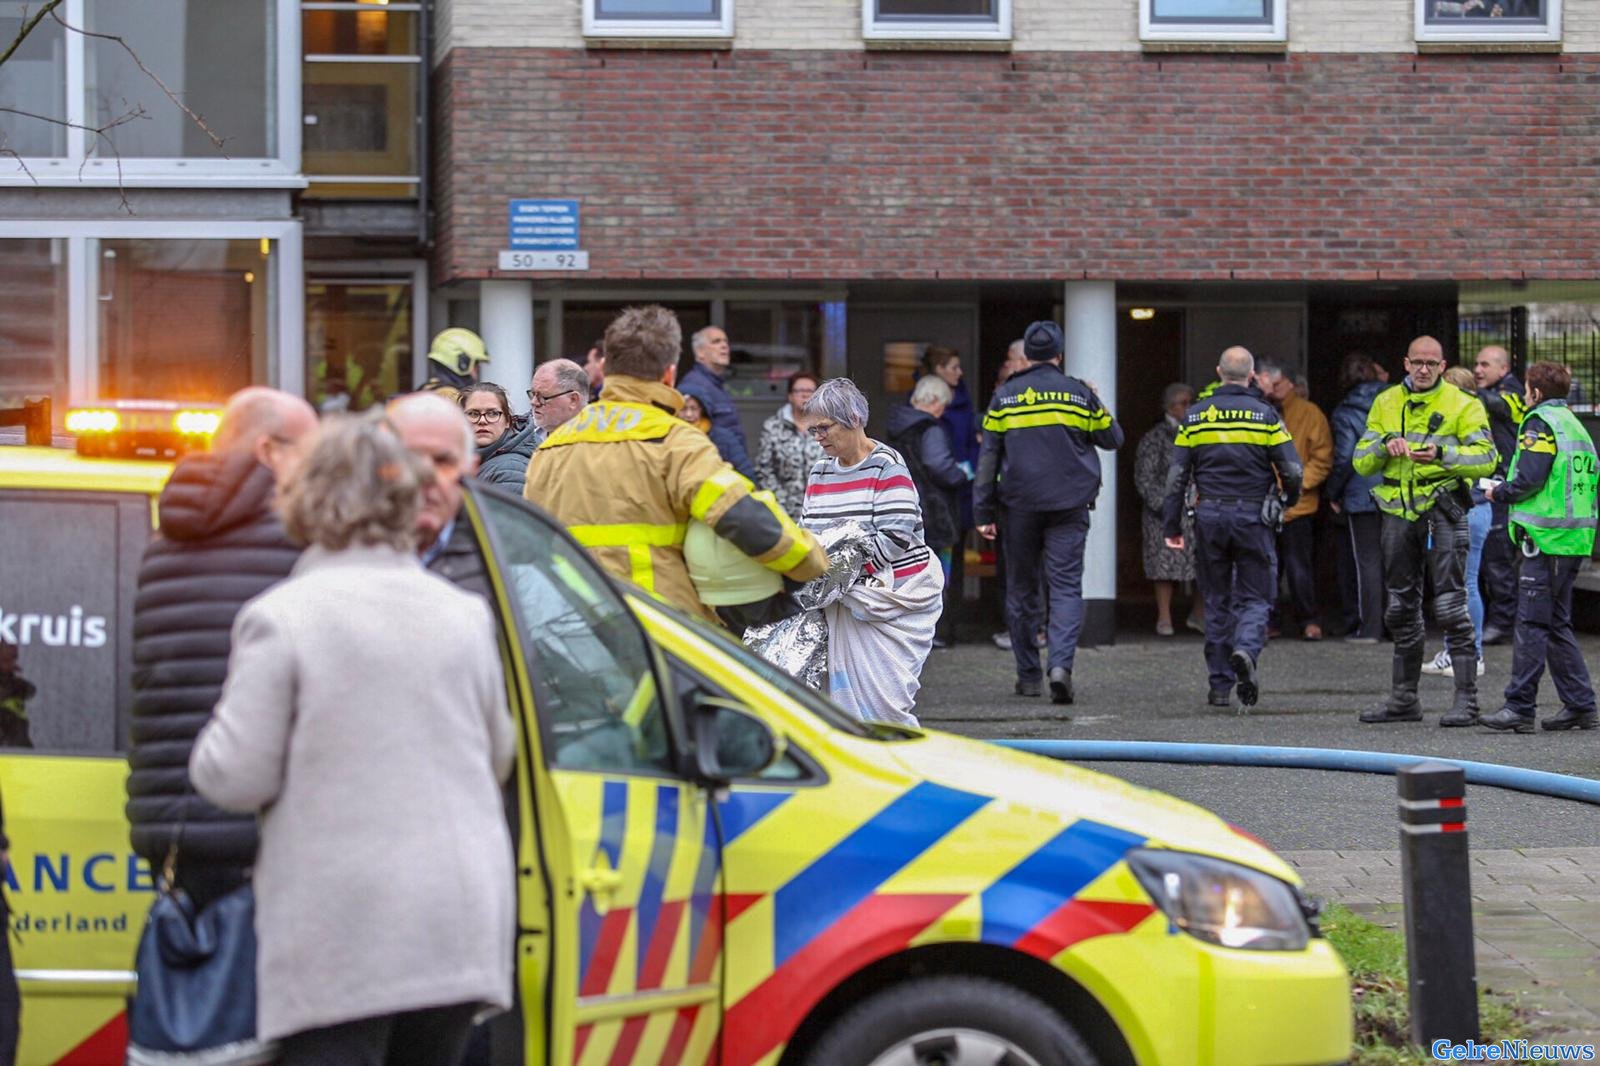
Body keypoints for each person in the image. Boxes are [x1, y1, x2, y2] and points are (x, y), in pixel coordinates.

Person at [190, 414, 515, 1064]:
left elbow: (234, 775)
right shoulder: (464, 613)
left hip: (343, 926)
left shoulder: (283, 617)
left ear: (305, 497)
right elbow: (498, 753)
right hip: (458, 918)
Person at [126, 386, 317, 908]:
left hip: (176, 822)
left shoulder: (165, 545)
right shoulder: (295, 544)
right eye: (310, 450)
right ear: (268, 452)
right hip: (260, 826)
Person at [524, 305, 825, 622]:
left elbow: (530, 544)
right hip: (660, 629)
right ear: (669, 373)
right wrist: (810, 562)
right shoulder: (676, 441)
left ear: (606, 368)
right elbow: (741, 517)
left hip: (571, 627)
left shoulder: (550, 448)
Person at [974, 320, 1123, 707]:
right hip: (1069, 506)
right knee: (1066, 587)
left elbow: (988, 457)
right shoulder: (1077, 394)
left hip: (1018, 506)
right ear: (1059, 355)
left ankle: (1027, 676)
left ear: (1028, 355)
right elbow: (1113, 438)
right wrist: (1094, 399)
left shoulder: (1005, 397)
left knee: (1021, 590)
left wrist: (982, 511)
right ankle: (1060, 667)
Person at [1353, 335, 1496, 726]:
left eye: (1431, 364)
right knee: (1400, 608)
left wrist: (1442, 455)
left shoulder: (1463, 404)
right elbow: (1361, 462)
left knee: (1450, 605)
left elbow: (1487, 458)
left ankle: (1466, 702)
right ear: (1405, 362)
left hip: (1443, 513)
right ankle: (1404, 700)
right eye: (1417, 362)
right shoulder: (1385, 402)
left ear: (1443, 366)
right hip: (1398, 514)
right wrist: (1385, 444)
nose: (1423, 369)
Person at [1163, 347, 1302, 708]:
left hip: (1209, 515)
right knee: (1256, 596)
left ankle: (1219, 686)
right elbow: (1293, 470)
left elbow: (1176, 477)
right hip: (1253, 516)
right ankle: (1246, 648)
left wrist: (1171, 524)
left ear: (1218, 372)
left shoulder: (1193, 418)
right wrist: (1288, 499)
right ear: (1252, 375)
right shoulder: (1266, 416)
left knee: (1216, 599)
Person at [802, 378, 944, 725]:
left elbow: (896, 534)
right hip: (848, 598)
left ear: (853, 419)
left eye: (824, 428)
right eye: (814, 430)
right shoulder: (819, 470)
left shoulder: (886, 465)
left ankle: (900, 766)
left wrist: (837, 577)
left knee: (887, 705)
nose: (818, 437)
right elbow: (807, 529)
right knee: (848, 707)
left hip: (894, 597)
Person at [1479, 362, 1599, 733]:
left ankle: (1519, 706)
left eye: (1526, 388)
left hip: (1546, 540)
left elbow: (1530, 478)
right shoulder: (1573, 424)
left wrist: (1499, 491)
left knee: (1531, 623)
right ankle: (1580, 704)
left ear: (1535, 392)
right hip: (1572, 539)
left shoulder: (1539, 423)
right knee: (1556, 622)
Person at [887, 374, 972, 647]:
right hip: (934, 515)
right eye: (943, 404)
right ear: (934, 401)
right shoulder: (930, 429)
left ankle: (908, 630)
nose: (943, 411)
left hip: (903, 511)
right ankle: (936, 632)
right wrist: (962, 474)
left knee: (909, 573)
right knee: (939, 576)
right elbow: (940, 467)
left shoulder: (896, 427)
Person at [1421, 365, 1492, 679]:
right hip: (1474, 508)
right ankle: (1457, 651)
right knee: (1461, 584)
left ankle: (1468, 654)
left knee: (1463, 585)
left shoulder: (1462, 420)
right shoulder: (1477, 418)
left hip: (1466, 508)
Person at [1256, 359, 1332, 640]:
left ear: (1290, 383)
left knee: (1299, 568)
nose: (1271, 390)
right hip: (1265, 504)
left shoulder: (1310, 414)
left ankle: (1309, 620)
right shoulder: (1260, 412)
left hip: (1298, 506)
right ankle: (1269, 621)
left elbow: (1322, 459)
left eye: (1276, 385)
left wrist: (1295, 486)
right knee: (1267, 569)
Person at [388, 392, 491, 599]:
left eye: (443, 461)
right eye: (410, 459)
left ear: (471, 469)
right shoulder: (340, 554)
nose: (426, 476)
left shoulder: (503, 557)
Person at [1327, 353, 1388, 643]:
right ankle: (1397, 626)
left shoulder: (1345, 411)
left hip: (1361, 493)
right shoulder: (1394, 402)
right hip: (1396, 489)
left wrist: (1333, 492)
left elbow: (1345, 457)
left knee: (1367, 563)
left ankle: (1370, 628)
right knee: (1396, 561)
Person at [1134, 383, 1201, 637]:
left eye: (1191, 401)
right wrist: (1164, 505)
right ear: (1170, 407)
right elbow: (1145, 477)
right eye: (1183, 403)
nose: (1189, 407)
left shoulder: (1200, 434)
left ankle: (1199, 614)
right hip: (1164, 513)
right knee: (1163, 568)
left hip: (1197, 510)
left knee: (1202, 565)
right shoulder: (1155, 438)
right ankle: (1164, 617)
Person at [1473, 344, 1526, 646]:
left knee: (1498, 559)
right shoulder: (1495, 392)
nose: (1478, 370)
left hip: (1503, 487)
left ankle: (1503, 622)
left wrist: (1467, 391)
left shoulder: (1511, 393)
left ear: (1503, 369)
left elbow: (1504, 407)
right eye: (1475, 365)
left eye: (1485, 365)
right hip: (1491, 485)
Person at [678, 325, 757, 480]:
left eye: (725, 342)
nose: (724, 346)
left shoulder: (716, 385)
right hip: (714, 473)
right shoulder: (695, 386)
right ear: (700, 352)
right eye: (716, 341)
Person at [754, 372, 825, 520]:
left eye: (810, 391)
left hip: (822, 508)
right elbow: (764, 469)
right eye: (799, 391)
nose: (805, 395)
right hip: (783, 512)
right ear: (790, 396)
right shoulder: (773, 426)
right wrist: (781, 503)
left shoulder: (826, 427)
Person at [459, 382, 537, 489]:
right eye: (473, 414)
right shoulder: (464, 460)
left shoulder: (509, 469)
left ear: (508, 421)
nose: (482, 421)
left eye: (492, 413)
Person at [418, 327, 490, 402]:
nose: (477, 369)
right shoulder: (450, 395)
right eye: (476, 363)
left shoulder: (427, 389)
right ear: (462, 363)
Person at [528, 358, 591, 443]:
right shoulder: (524, 437)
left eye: (543, 396)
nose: (533, 402)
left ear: (573, 400)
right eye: (533, 393)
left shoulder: (600, 444)